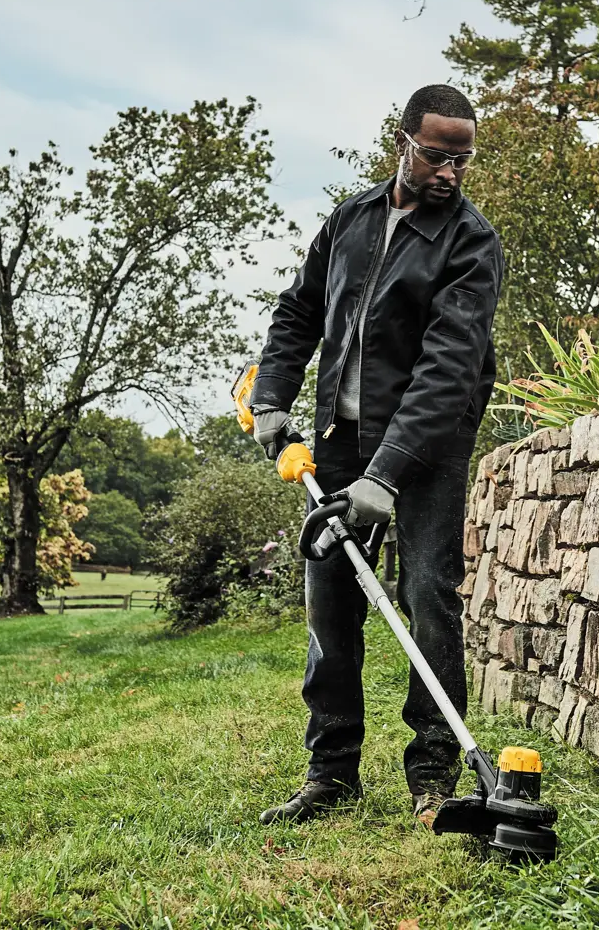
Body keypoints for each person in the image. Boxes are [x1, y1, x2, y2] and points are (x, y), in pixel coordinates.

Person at [248, 83, 504, 827]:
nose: (450, 173)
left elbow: (448, 368)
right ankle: (330, 772)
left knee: (430, 599)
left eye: (463, 159)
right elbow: (297, 312)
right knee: (330, 605)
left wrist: (385, 476)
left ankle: (433, 774)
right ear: (402, 140)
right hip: (336, 439)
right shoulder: (352, 218)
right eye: (436, 155)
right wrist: (272, 398)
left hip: (428, 444)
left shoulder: (471, 240)